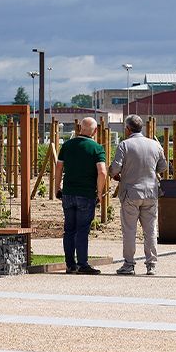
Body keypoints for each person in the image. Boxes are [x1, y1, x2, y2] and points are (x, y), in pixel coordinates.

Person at [110, 114, 169, 276]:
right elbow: (163, 167)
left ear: (128, 129)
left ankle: (129, 264)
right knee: (150, 230)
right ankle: (151, 265)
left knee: (129, 230)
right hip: (151, 192)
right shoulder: (155, 145)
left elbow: (115, 168)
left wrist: (116, 174)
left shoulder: (124, 145)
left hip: (130, 192)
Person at [53, 117, 107, 274]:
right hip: (86, 193)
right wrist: (100, 192)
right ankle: (83, 264)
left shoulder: (67, 145)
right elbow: (102, 171)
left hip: (68, 193)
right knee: (82, 230)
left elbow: (58, 166)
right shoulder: (97, 148)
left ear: (79, 128)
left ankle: (70, 264)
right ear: (95, 131)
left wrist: (57, 188)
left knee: (69, 229)